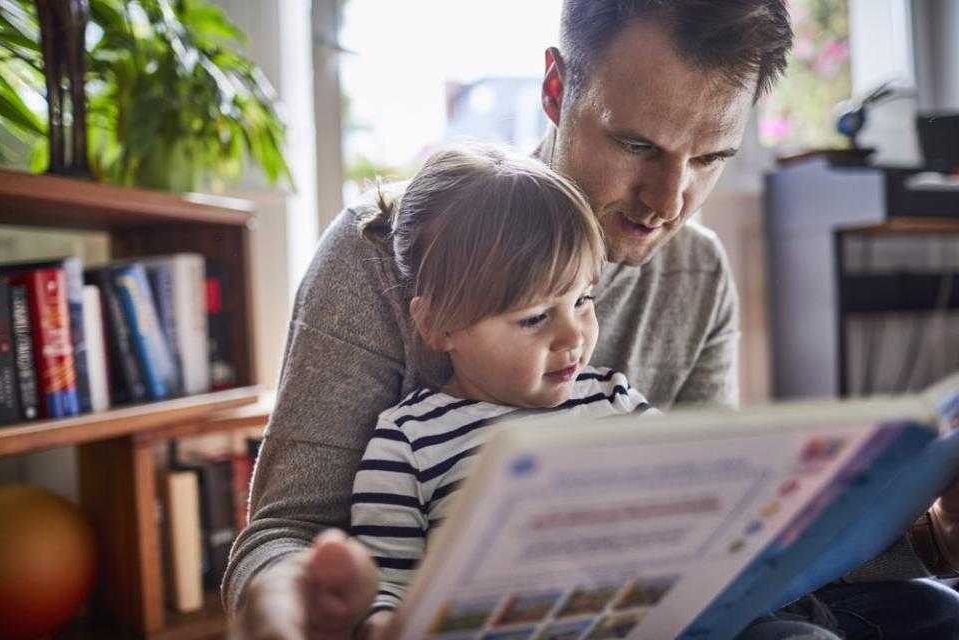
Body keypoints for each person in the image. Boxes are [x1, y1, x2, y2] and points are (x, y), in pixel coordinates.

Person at [227, 2, 959, 639]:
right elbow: (284, 530)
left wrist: (930, 534)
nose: (670, 199)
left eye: (711, 157)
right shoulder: (381, 253)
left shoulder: (698, 272)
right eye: (638, 145)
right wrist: (291, 602)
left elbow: (721, 537)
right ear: (555, 87)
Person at [343, 144, 656, 638]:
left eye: (583, 300)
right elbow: (386, 586)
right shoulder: (408, 443)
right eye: (534, 318)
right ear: (439, 325)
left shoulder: (614, 399)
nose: (574, 336)